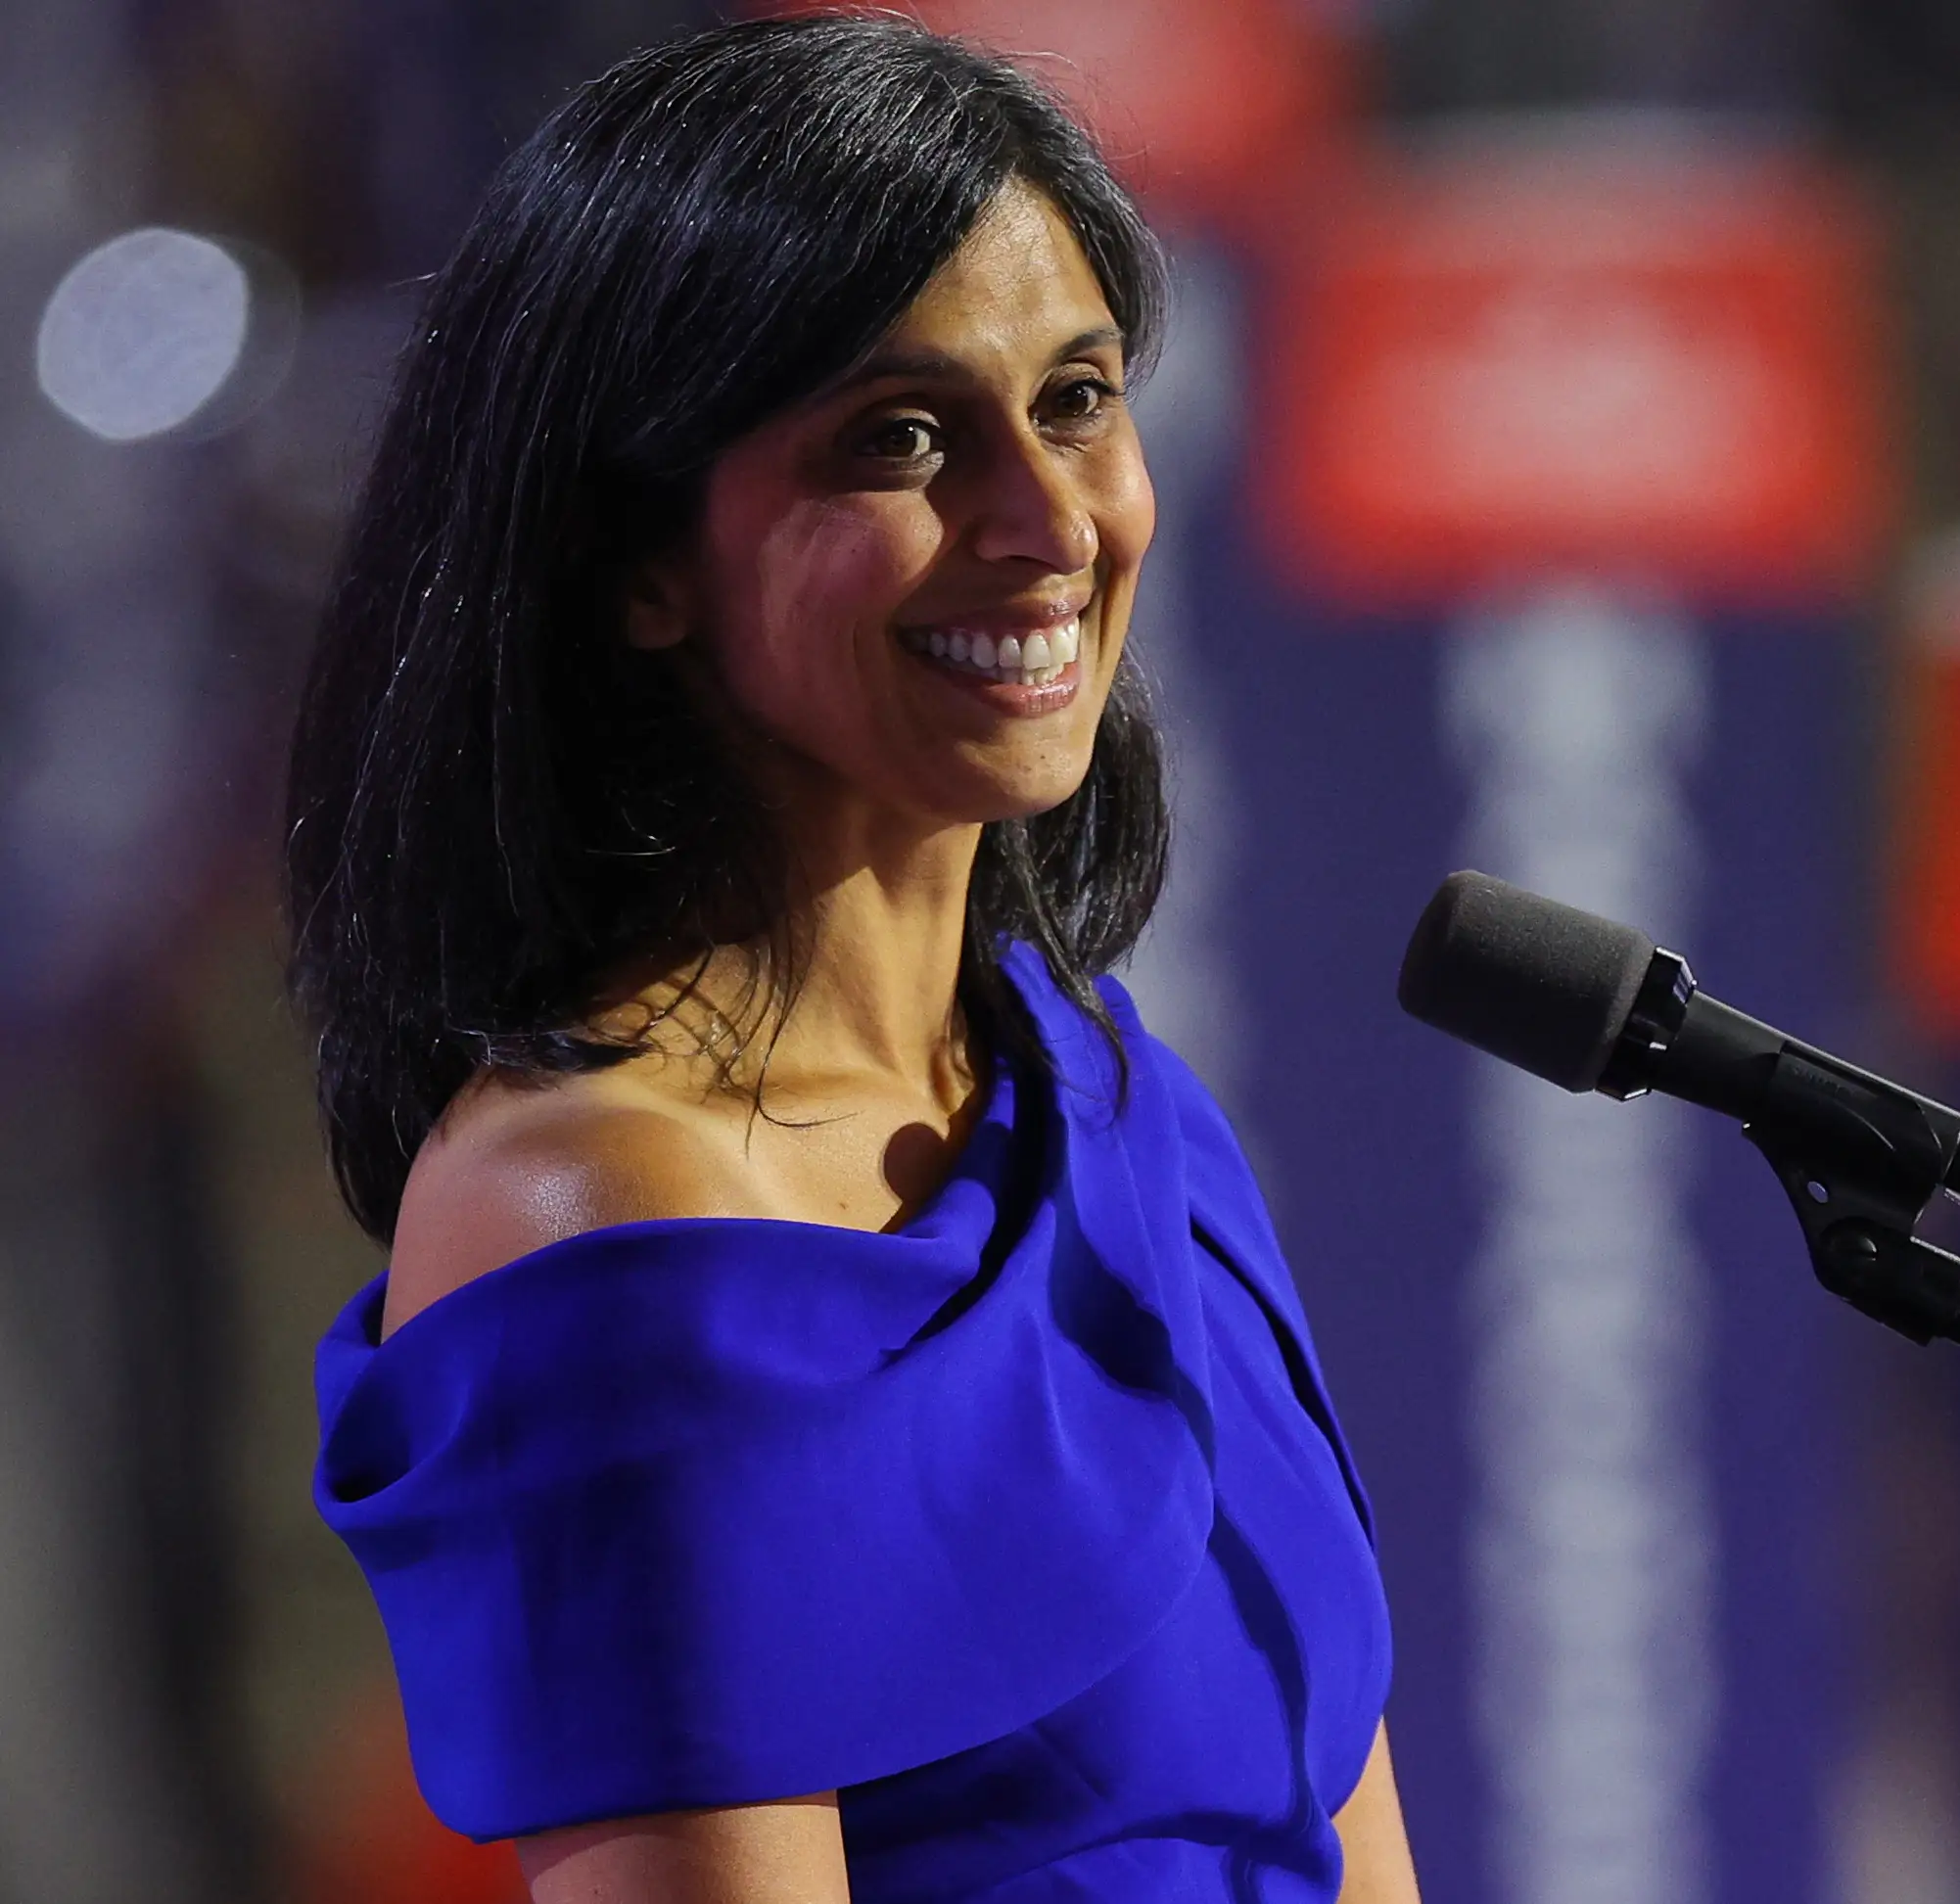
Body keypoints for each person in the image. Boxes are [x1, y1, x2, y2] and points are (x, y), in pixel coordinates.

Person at [285, 18, 1416, 1902]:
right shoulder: (606, 1222)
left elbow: (1339, 1828)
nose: (1046, 523)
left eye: (1075, 400)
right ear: (639, 559)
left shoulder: (1114, 1104)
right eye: (901, 439)